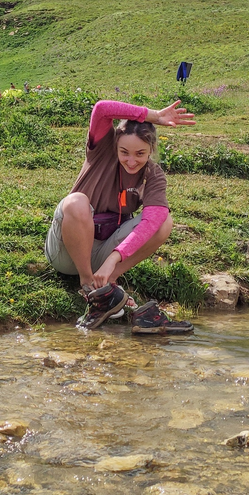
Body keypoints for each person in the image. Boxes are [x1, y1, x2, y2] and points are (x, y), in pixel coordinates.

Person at [44, 99, 196, 335]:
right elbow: (102, 109)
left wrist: (112, 263)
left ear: (151, 151)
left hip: (105, 254)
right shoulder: (102, 150)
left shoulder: (153, 176)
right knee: (76, 201)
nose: (131, 161)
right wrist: (153, 115)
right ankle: (88, 287)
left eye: (140, 154)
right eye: (124, 152)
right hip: (65, 251)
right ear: (115, 146)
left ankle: (108, 284)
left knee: (163, 221)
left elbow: (154, 221)